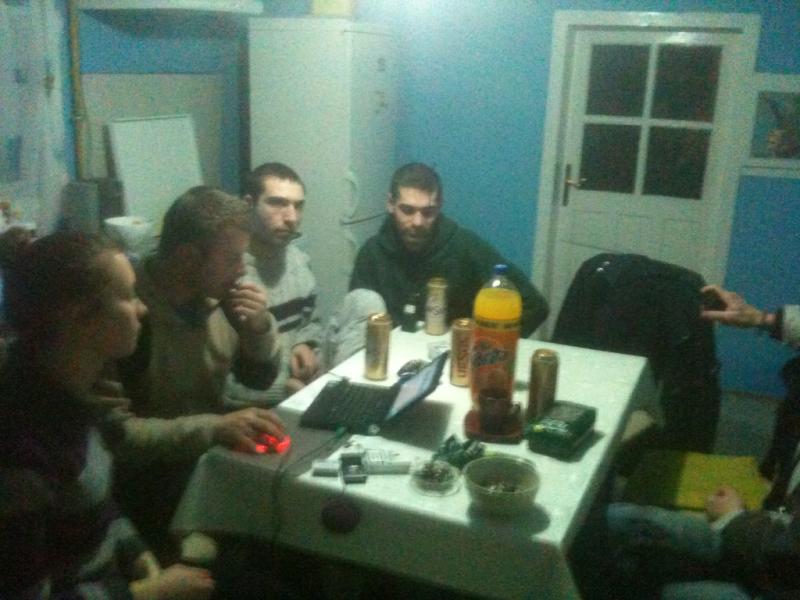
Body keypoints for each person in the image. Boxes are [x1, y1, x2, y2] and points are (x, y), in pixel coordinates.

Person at [0, 232, 214, 599]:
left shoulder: (74, 393)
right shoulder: (22, 453)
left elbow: (93, 502)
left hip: (113, 577)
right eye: (129, 297)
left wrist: (135, 550)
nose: (142, 309)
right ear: (81, 318)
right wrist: (148, 593)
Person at [573, 285, 800, 600]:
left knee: (668, 591)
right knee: (603, 526)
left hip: (778, 568)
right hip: (773, 530)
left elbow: (787, 555)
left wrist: (734, 519)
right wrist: (763, 319)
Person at [113, 186, 285, 556]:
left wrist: (258, 327)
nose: (242, 270)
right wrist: (214, 428)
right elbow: (119, 438)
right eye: (233, 258)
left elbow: (259, 379)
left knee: (290, 507)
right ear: (188, 257)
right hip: (149, 483)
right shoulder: (132, 315)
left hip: (203, 460)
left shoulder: (219, 298)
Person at [233, 162, 386, 406]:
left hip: (306, 375)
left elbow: (310, 321)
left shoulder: (297, 259)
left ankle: (344, 396)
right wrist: (285, 389)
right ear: (248, 205)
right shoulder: (230, 269)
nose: (292, 217)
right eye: (278, 203)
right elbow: (220, 379)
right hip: (262, 388)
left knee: (366, 300)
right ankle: (336, 401)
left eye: (298, 206)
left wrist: (305, 343)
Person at [349, 162, 549, 337]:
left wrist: (484, 345)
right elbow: (357, 324)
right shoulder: (371, 254)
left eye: (428, 212)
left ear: (439, 207)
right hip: (389, 359)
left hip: (453, 360)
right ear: (390, 204)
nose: (418, 222)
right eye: (407, 210)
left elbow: (533, 305)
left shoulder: (465, 246)